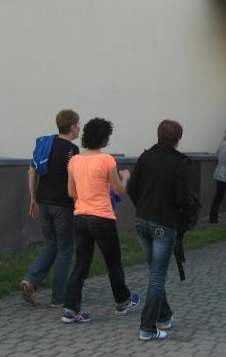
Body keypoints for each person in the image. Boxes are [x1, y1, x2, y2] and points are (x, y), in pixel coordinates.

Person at [60, 118, 139, 323]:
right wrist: (125, 177)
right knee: (113, 262)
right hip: (102, 217)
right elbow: (118, 190)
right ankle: (123, 302)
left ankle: (70, 309)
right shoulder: (107, 160)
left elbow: (71, 192)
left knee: (81, 265)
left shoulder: (74, 161)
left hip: (80, 217)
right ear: (103, 139)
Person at [127, 120, 191, 341]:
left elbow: (132, 188)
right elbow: (182, 198)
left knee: (155, 271)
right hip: (164, 223)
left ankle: (164, 316)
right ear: (177, 139)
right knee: (157, 277)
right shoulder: (180, 163)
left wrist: (143, 207)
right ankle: (147, 328)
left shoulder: (145, 157)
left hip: (142, 220)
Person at [20, 109, 81, 307]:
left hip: (43, 201)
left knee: (50, 244)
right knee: (65, 248)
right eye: (78, 125)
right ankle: (58, 298)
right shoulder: (72, 150)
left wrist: (33, 198)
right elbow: (73, 177)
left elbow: (31, 172)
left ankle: (30, 280)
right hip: (62, 204)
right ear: (72, 127)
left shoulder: (45, 144)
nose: (80, 128)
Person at [208, 127, 226, 224]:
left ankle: (212, 218)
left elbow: (217, 155)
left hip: (220, 172)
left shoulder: (222, 143)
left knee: (218, 196)